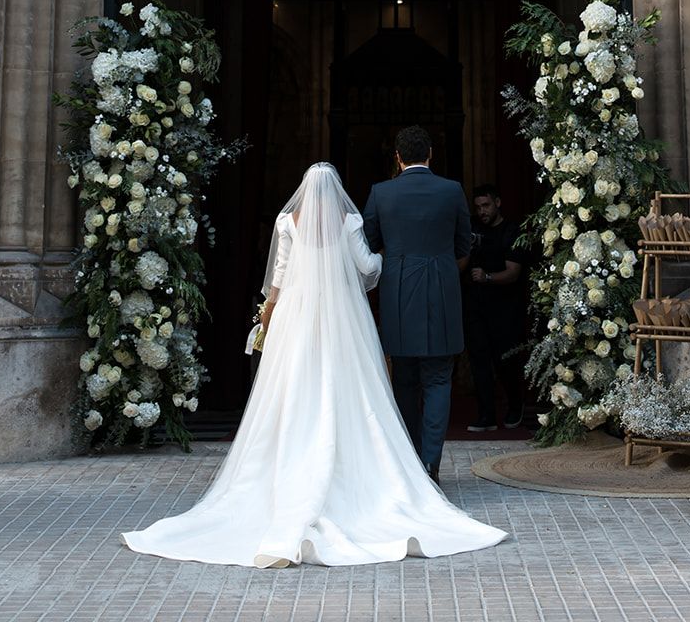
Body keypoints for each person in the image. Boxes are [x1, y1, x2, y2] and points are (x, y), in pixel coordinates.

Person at [122, 162, 506, 567]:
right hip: (343, 318)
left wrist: (266, 317)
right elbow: (368, 268)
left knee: (293, 388)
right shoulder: (348, 221)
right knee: (351, 390)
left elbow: (278, 279)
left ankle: (290, 463)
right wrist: (384, 258)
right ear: (335, 192)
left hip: (296, 318)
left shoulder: (287, 221)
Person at [362, 126, 470, 483]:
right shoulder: (451, 190)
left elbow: (370, 242)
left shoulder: (381, 192)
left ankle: (409, 463)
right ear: (430, 154)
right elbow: (463, 246)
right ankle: (430, 464)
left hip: (399, 291)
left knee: (405, 378)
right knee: (439, 377)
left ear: (397, 157)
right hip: (441, 288)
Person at [463, 184, 527, 433]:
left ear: (497, 203)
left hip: (505, 307)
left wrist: (487, 277)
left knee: (505, 361)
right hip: (475, 306)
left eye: (486, 205)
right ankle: (486, 415)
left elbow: (513, 273)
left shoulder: (511, 231)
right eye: (478, 207)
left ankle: (514, 406)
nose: (482, 211)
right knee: (479, 361)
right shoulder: (471, 228)